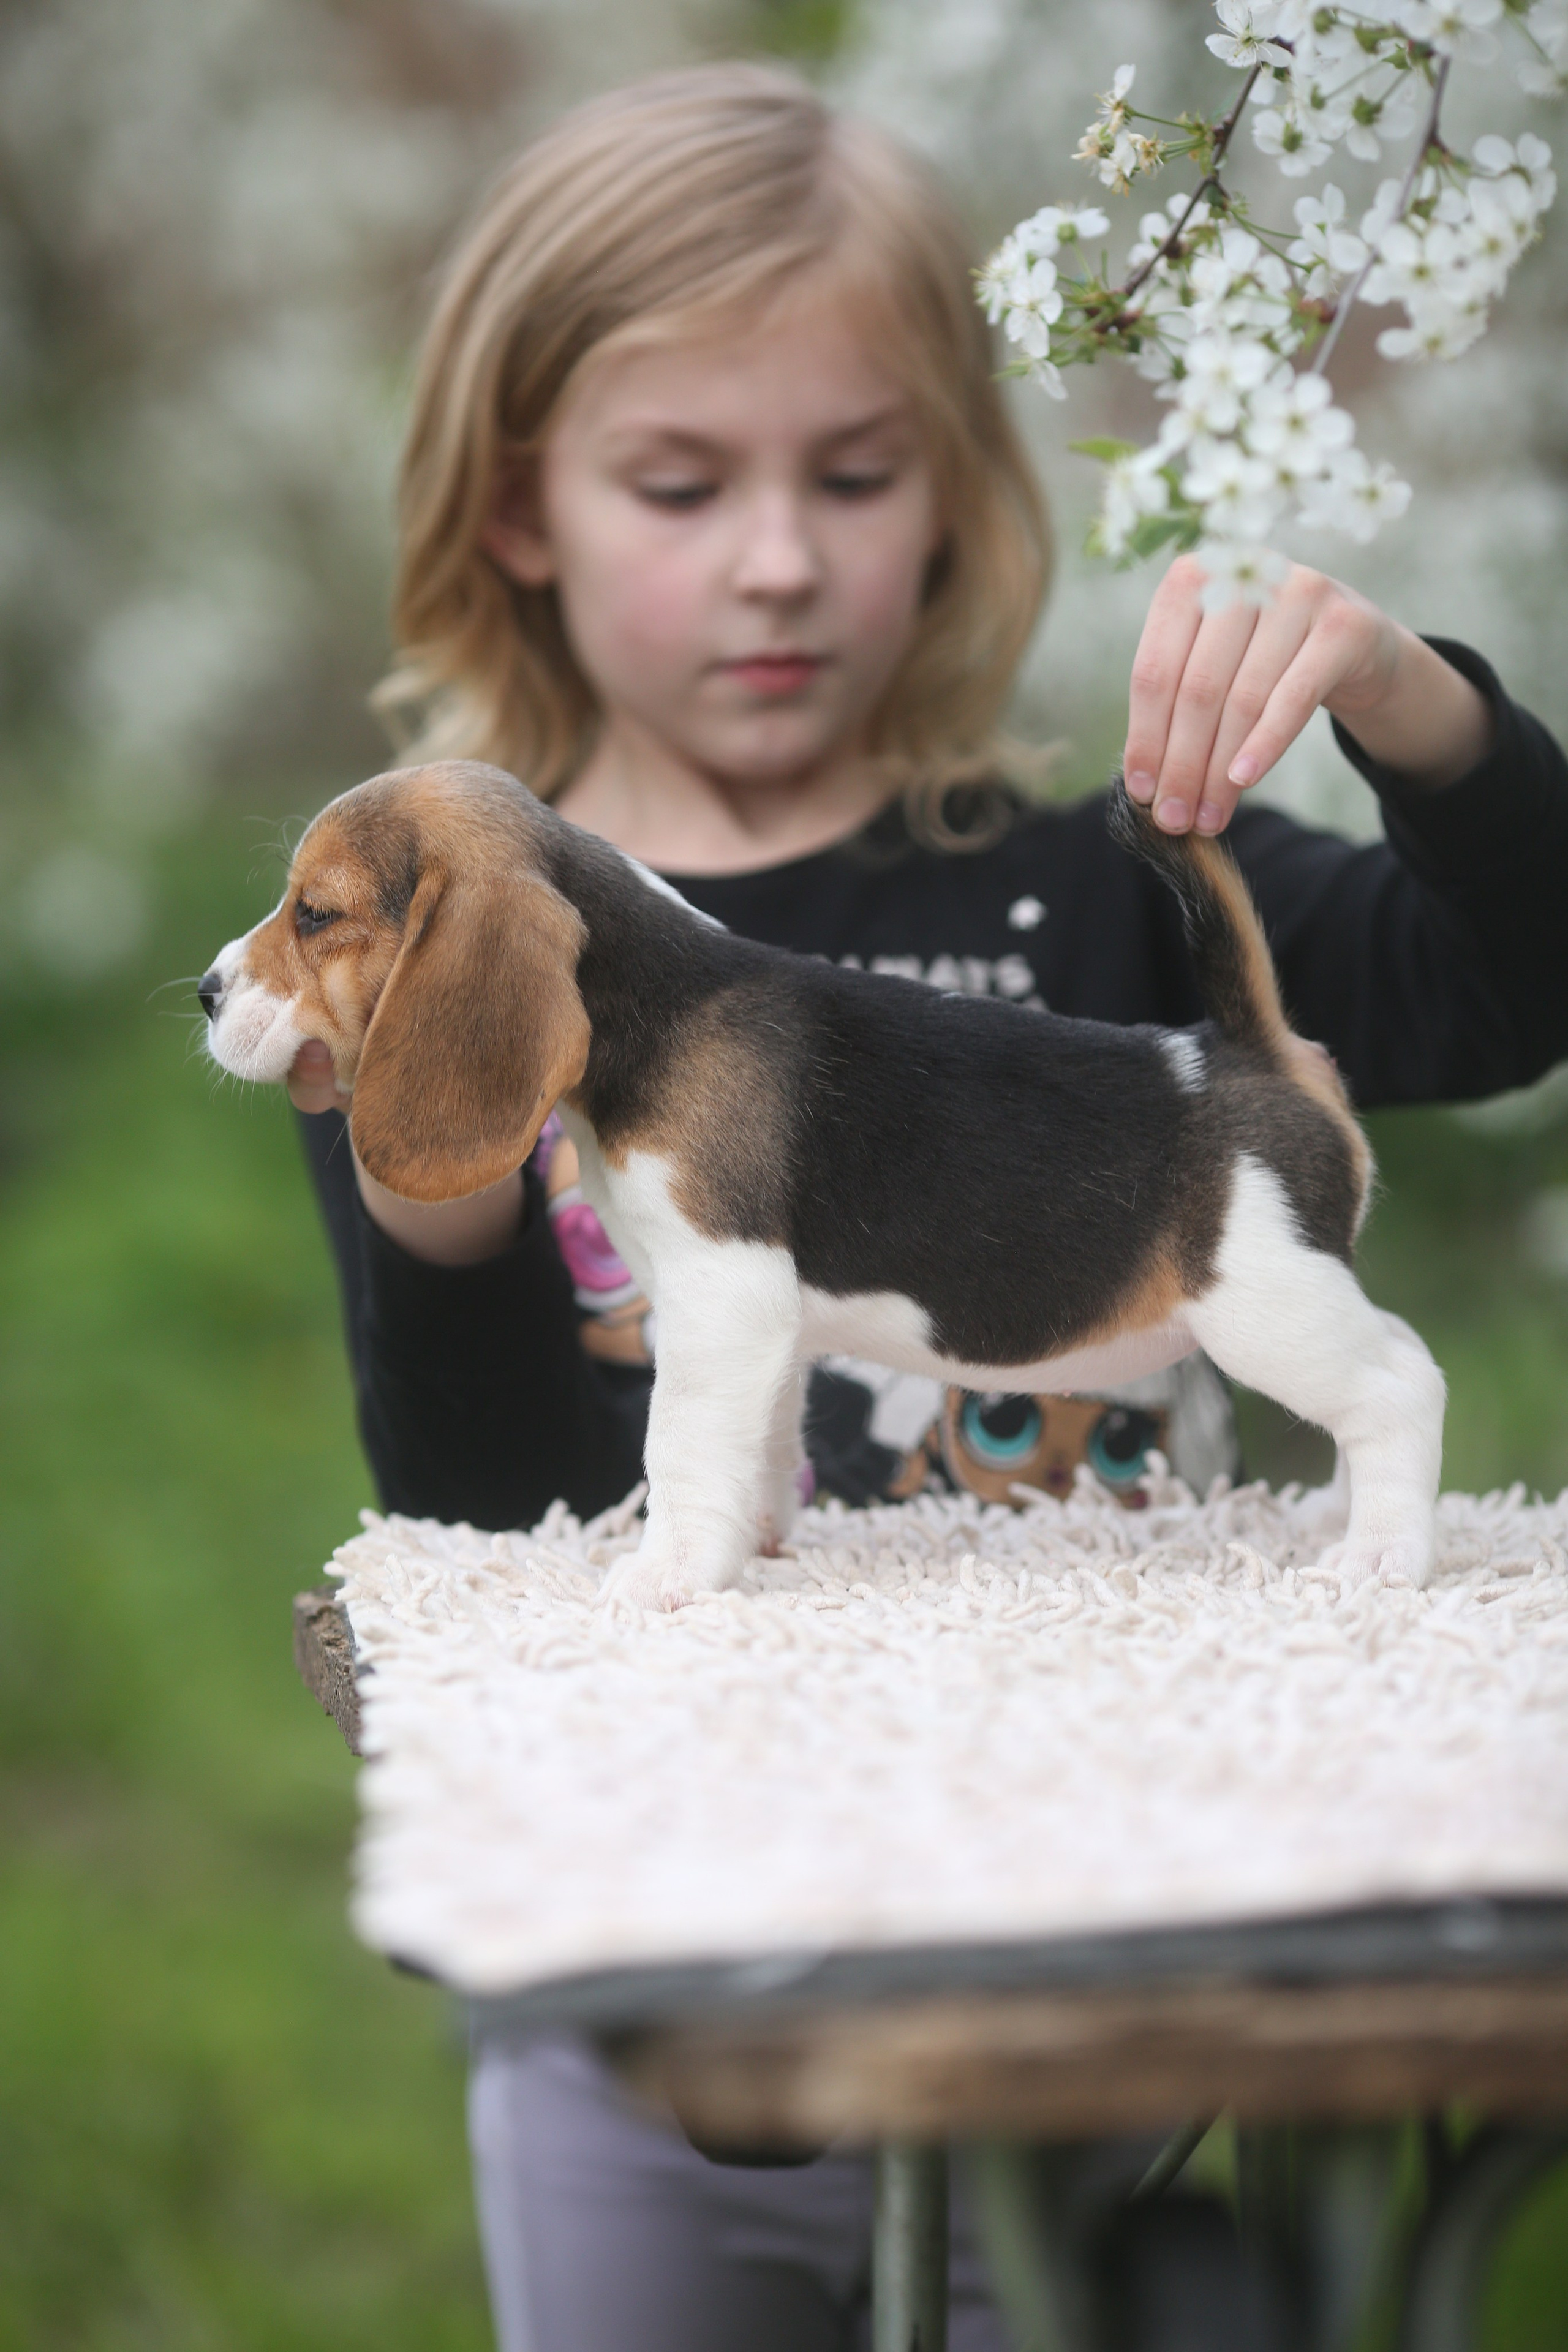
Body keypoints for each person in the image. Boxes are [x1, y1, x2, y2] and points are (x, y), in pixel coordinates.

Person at [281, 61, 1568, 2352]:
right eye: (683, 480)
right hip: (653, 2010)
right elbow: (471, 1514)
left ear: (959, 502)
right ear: (518, 510)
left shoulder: (1106, 884)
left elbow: (1519, 982)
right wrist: (440, 1183)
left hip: (1126, 1972)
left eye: (853, 473)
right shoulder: (448, 944)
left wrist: (1413, 707)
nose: (779, 555)